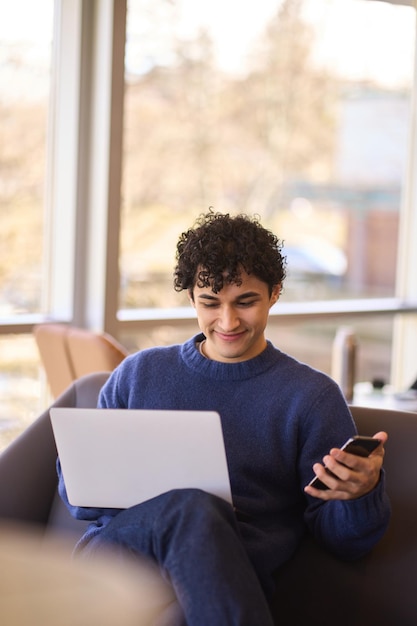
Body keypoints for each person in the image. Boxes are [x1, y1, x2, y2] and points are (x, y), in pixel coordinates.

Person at [58, 211, 390, 626]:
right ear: (192, 299)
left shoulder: (310, 397)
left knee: (198, 523)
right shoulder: (140, 373)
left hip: (222, 581)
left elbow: (345, 543)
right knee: (194, 506)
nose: (228, 322)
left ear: (274, 293)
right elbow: (80, 502)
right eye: (210, 304)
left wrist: (360, 495)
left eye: (245, 302)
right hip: (118, 559)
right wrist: (80, 468)